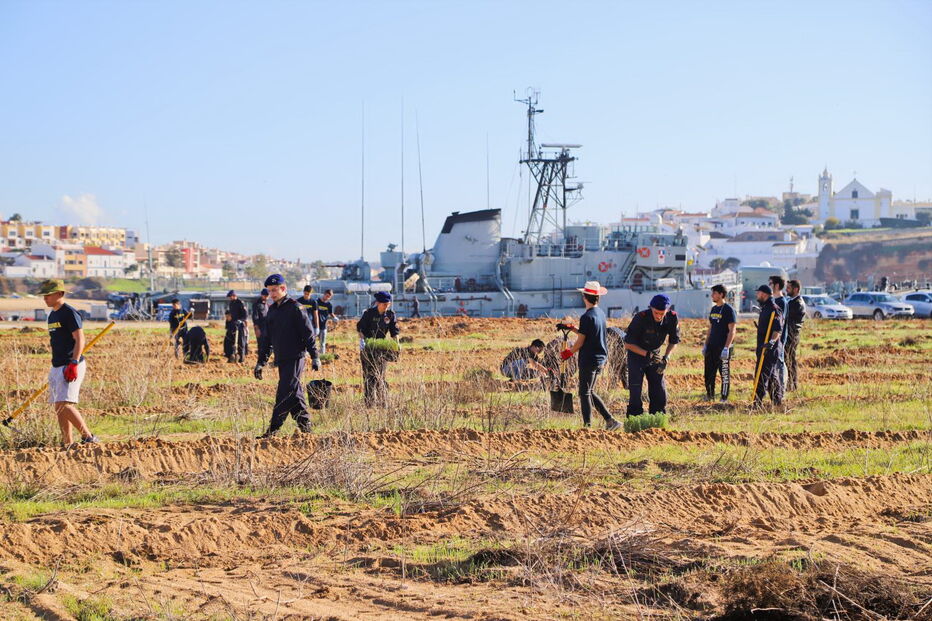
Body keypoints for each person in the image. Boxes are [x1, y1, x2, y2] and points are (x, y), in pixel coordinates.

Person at [254, 274, 320, 438]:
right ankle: (306, 430)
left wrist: (315, 356)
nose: (271, 294)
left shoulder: (296, 308)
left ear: (283, 288)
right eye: (269, 291)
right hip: (281, 359)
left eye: (274, 290)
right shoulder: (272, 311)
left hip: (296, 357)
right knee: (294, 393)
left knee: (284, 392)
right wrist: (261, 362)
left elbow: (308, 334)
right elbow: (267, 340)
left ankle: (273, 430)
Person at [37, 280, 98, 447]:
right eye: (44, 295)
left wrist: (74, 362)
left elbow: (79, 339)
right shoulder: (52, 315)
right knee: (59, 407)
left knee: (65, 404)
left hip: (70, 364)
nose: (45, 298)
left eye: (48, 294)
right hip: (57, 365)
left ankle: (88, 438)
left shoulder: (69, 313)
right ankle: (68, 443)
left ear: (60, 294)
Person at [558, 281, 623, 430]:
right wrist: (572, 328)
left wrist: (568, 352)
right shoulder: (600, 313)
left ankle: (587, 427)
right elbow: (588, 333)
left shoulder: (586, 317)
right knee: (589, 391)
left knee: (584, 393)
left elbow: (581, 341)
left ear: (584, 297)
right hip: (600, 358)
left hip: (589, 359)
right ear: (597, 298)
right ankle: (611, 421)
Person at [623, 294, 681, 417]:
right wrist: (646, 354)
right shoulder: (641, 317)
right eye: (656, 313)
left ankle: (657, 417)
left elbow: (674, 341)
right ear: (651, 308)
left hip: (655, 355)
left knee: (658, 387)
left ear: (667, 310)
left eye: (662, 313)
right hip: (637, 355)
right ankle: (635, 418)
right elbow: (628, 344)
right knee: (635, 389)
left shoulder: (672, 317)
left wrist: (666, 357)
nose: (659, 316)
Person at [356, 291, 399, 407]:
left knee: (381, 375)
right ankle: (369, 403)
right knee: (369, 376)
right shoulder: (369, 314)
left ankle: (382, 402)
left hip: (381, 348)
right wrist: (362, 341)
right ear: (378, 303)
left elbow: (394, 332)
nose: (386, 307)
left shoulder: (390, 315)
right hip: (368, 348)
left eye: (388, 304)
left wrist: (397, 345)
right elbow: (360, 329)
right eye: (384, 304)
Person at [703, 284, 737, 401]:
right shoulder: (714, 309)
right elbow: (710, 328)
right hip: (711, 347)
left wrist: (726, 348)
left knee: (724, 374)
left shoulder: (729, 310)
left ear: (721, 294)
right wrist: (705, 344)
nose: (712, 295)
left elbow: (732, 331)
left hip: (723, 347)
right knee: (708, 373)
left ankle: (724, 398)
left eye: (714, 293)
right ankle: (710, 396)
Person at [753, 285, 784, 407]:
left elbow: (777, 330)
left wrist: (771, 342)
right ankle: (777, 401)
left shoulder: (774, 309)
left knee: (761, 375)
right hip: (762, 346)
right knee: (771, 376)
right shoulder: (765, 308)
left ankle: (757, 403)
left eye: (758, 293)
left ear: (764, 294)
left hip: (770, 349)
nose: (757, 295)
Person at [785, 279, 807, 392]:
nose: (786, 290)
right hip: (790, 334)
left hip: (792, 335)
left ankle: (792, 384)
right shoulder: (792, 302)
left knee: (790, 360)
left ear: (796, 289)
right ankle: (790, 384)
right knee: (788, 360)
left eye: (789, 288)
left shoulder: (797, 303)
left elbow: (788, 319)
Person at [769, 275, 789, 387]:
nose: (769, 286)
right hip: (772, 336)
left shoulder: (781, 302)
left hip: (779, 338)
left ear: (776, 285)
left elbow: (780, 322)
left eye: (770, 283)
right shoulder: (774, 300)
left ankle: (781, 387)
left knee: (779, 362)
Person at [225, 290, 248, 362]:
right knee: (229, 341)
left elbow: (245, 315)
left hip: (239, 325)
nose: (230, 298)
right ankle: (231, 356)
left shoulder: (240, 303)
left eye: (231, 296)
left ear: (234, 296)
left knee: (241, 342)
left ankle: (241, 358)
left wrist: (240, 320)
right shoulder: (231, 303)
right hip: (232, 325)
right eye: (229, 297)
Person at [315, 289, 335, 354]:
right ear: (324, 294)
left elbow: (331, 313)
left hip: (323, 326)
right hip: (315, 325)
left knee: (322, 343)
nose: (327, 298)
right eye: (327, 296)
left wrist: (335, 318)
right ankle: (312, 355)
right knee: (312, 342)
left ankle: (322, 355)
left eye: (329, 297)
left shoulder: (329, 305)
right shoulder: (316, 302)